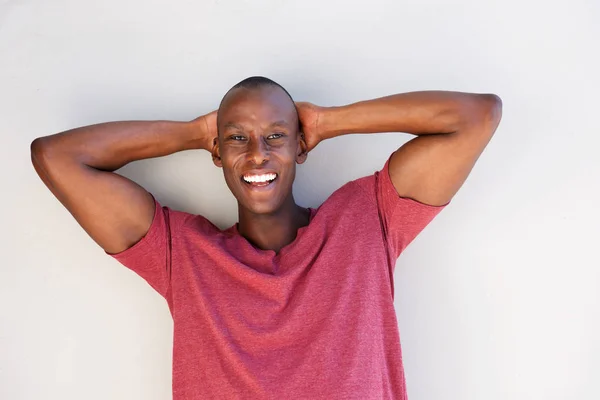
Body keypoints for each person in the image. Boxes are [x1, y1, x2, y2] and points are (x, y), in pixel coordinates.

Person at [30, 76, 502, 399]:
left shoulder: (365, 222)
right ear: (217, 152)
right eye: (238, 139)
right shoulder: (184, 255)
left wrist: (325, 122)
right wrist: (198, 132)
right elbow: (57, 157)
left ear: (299, 146)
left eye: (275, 137)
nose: (257, 155)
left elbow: (477, 116)